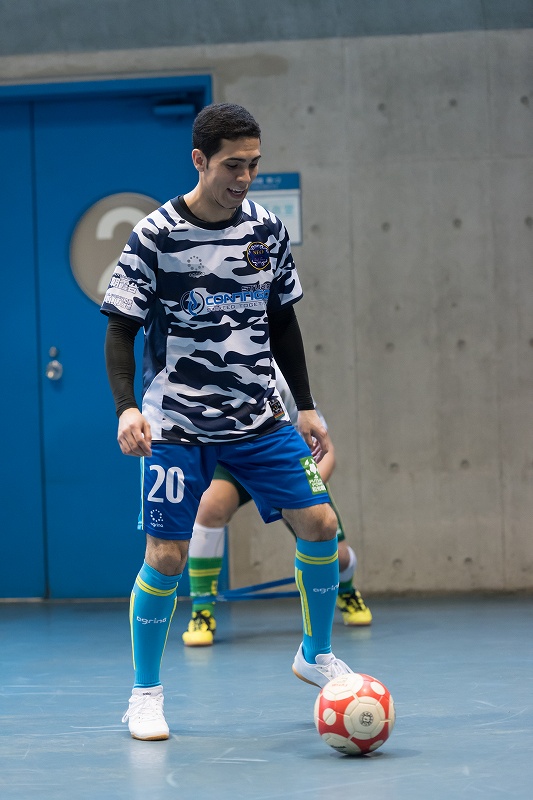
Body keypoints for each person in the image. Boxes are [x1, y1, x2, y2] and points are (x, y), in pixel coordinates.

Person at [102, 102, 356, 742]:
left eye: (253, 165)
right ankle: (145, 695)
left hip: (259, 417)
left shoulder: (267, 230)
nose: (244, 178)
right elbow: (121, 330)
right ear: (200, 160)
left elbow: (283, 321)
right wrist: (127, 408)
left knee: (321, 524)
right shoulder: (156, 235)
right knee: (166, 556)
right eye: (232, 166)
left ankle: (315, 654)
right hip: (176, 423)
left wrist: (305, 404)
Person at [183, 371, 372, 647]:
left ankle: (346, 589)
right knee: (209, 506)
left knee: (337, 554)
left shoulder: (279, 378)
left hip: (283, 462)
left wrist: (307, 491)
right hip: (231, 460)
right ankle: (202, 611)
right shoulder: (205, 373)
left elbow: (327, 452)